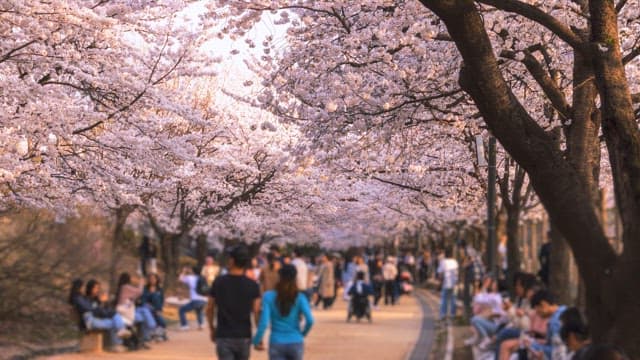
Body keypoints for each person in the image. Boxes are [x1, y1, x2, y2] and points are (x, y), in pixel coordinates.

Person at [207, 244, 261, 360]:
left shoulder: (219, 282)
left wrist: (212, 328)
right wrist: (259, 334)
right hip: (244, 335)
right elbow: (256, 311)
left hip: (223, 334)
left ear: (231, 261)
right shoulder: (253, 285)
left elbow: (210, 308)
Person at [253, 264, 314, 360]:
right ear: (295, 278)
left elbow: (264, 323)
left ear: (279, 277)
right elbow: (310, 320)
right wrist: (302, 334)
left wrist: (256, 340)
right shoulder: (300, 297)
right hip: (296, 341)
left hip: (276, 342)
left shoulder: (268, 296)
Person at [69, 279, 130, 352]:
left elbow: (99, 309)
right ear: (79, 287)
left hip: (92, 319)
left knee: (113, 319)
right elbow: (89, 309)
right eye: (96, 288)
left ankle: (118, 338)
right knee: (114, 322)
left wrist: (104, 303)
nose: (83, 288)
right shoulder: (80, 298)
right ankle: (116, 342)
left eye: (98, 288)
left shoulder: (83, 298)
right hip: (89, 322)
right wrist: (101, 304)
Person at [115, 273, 158, 344]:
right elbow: (139, 292)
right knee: (144, 311)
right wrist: (141, 282)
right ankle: (153, 329)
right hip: (126, 312)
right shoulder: (125, 287)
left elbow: (134, 297)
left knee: (144, 315)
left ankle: (146, 336)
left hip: (128, 311)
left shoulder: (122, 288)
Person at [526, 289, 567, 359]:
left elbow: (557, 350)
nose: (538, 314)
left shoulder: (555, 322)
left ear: (543, 304)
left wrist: (533, 345)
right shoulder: (564, 310)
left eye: (538, 310)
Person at [141, 273, 167, 340]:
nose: (152, 280)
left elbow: (162, 300)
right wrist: (150, 293)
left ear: (157, 279)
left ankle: (159, 334)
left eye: (154, 278)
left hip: (157, 309)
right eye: (151, 279)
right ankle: (158, 334)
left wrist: (160, 309)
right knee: (159, 320)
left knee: (161, 320)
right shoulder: (145, 288)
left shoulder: (159, 289)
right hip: (148, 308)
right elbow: (143, 300)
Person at [437, 247, 459, 321]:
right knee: (453, 299)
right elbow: (457, 272)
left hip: (446, 283)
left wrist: (440, 282)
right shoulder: (455, 261)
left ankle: (443, 314)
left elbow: (440, 273)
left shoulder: (443, 262)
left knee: (444, 299)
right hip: (454, 283)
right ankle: (453, 314)